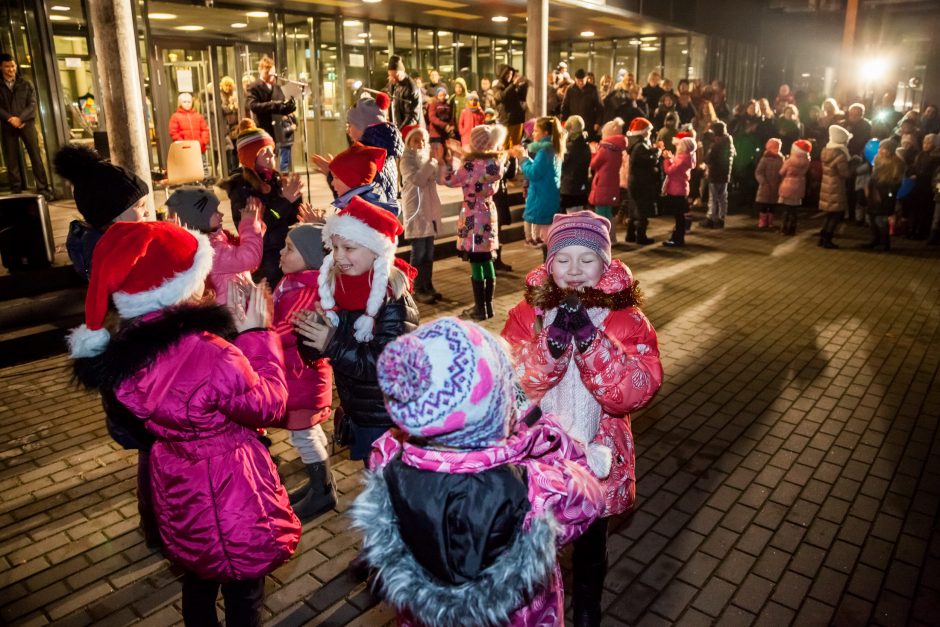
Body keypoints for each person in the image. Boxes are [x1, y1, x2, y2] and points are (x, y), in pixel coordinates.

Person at [70, 221, 301, 626]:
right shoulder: (213, 354)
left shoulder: (124, 356)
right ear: (180, 284)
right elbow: (270, 404)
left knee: (197, 573)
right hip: (231, 483)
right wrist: (258, 334)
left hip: (175, 475)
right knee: (244, 586)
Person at [353, 316, 604, 626]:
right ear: (497, 409)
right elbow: (590, 496)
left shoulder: (388, 461)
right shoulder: (532, 486)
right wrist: (539, 429)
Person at [501, 211, 663, 626]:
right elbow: (513, 386)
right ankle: (538, 608)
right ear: (548, 262)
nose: (573, 270)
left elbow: (635, 389)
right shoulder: (529, 313)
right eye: (563, 259)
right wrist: (550, 348)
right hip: (542, 455)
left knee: (591, 546)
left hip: (598, 455)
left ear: (606, 264)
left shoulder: (626, 319)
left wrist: (593, 345)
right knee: (537, 540)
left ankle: (587, 609)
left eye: (586, 259)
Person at [293, 197, 419, 464]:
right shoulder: (339, 289)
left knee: (389, 486)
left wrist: (332, 342)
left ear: (376, 249)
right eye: (335, 247)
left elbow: (384, 364)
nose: (339, 256)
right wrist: (312, 335)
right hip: (360, 410)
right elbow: (328, 352)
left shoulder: (393, 299)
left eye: (348, 248)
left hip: (387, 418)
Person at [272, 223, 337, 520]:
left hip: (302, 377)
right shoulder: (296, 282)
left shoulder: (306, 288)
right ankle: (320, 483)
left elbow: (289, 328)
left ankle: (322, 492)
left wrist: (257, 330)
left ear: (310, 256)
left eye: (289, 248)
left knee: (304, 435)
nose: (281, 253)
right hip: (301, 375)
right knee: (309, 431)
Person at [220, 119, 303, 285]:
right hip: (265, 258)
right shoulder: (242, 189)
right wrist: (284, 201)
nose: (272, 156)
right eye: (265, 152)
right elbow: (259, 227)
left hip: (283, 249)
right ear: (251, 157)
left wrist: (295, 200)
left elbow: (290, 219)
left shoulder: (275, 179)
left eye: (272, 150)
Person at [440, 125, 508, 320]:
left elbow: (450, 180)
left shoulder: (469, 164)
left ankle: (479, 308)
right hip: (488, 212)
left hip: (472, 214)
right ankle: (488, 306)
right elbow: (478, 164)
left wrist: (446, 161)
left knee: (475, 259)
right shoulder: (495, 161)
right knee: (486, 257)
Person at [54, 144, 150, 280]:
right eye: (140, 206)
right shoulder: (103, 253)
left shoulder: (117, 238)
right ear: (110, 214)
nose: (147, 213)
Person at [166, 186, 263, 305]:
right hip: (232, 313)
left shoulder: (218, 238)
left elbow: (244, 258)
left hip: (240, 305)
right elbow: (249, 258)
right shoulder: (208, 250)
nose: (221, 214)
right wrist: (249, 225)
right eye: (215, 211)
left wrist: (255, 224)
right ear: (198, 217)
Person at [400, 127, 443, 304]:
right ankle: (417, 288)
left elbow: (438, 177)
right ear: (409, 142)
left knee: (429, 251)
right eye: (416, 140)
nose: (421, 144)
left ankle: (428, 284)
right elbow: (417, 179)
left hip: (429, 208)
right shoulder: (406, 160)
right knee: (419, 252)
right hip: (416, 209)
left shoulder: (427, 158)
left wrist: (439, 162)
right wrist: (432, 164)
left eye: (423, 140)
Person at [0, 53, 52, 199]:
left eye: (12, 66)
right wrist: (10, 118)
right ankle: (15, 191)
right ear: (1, 67)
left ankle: (43, 189)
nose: (11, 69)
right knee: (11, 159)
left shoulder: (25, 83)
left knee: (35, 156)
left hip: (26, 124)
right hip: (7, 125)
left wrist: (21, 119)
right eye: (7, 66)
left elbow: (32, 104)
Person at [512, 116, 564, 253]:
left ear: (545, 133)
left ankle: (551, 272)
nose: (533, 133)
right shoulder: (551, 148)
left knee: (547, 240)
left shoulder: (545, 151)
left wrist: (522, 158)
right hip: (548, 194)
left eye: (536, 130)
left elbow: (534, 173)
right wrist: (526, 157)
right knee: (548, 238)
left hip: (542, 196)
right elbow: (539, 168)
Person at [588, 118, 627, 242]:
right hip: (612, 183)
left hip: (602, 184)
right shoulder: (617, 149)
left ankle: (603, 239)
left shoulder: (605, 149)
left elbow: (593, 164)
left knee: (600, 213)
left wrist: (593, 152)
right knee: (608, 213)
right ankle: (612, 237)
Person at [863, 138, 905, 251]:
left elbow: (896, 181)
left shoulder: (897, 163)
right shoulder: (877, 159)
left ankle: (885, 243)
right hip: (874, 192)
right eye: (881, 148)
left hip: (885, 193)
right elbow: (873, 176)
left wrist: (887, 193)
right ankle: (875, 240)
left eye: (885, 149)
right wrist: (868, 187)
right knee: (871, 218)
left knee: (881, 219)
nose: (881, 151)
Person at [626, 117, 660, 245]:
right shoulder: (640, 146)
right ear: (643, 131)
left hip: (635, 180)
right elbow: (648, 160)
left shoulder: (635, 144)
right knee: (641, 210)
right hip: (641, 182)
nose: (650, 133)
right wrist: (658, 153)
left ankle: (630, 234)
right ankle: (641, 236)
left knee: (633, 209)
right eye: (649, 131)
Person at [245, 56, 296, 139]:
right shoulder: (254, 87)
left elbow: (281, 106)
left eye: (273, 73)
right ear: (261, 70)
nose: (271, 75)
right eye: (268, 72)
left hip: (280, 132)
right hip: (264, 130)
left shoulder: (277, 87)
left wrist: (289, 107)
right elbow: (253, 106)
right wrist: (273, 104)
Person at [819, 125, 852, 249]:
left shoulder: (826, 151)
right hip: (836, 186)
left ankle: (822, 238)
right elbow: (845, 173)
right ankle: (828, 239)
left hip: (826, 184)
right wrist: (853, 167)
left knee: (829, 214)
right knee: (835, 215)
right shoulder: (840, 154)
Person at [661, 136, 697, 247]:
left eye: (680, 144)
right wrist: (671, 158)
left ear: (685, 147)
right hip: (681, 189)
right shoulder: (686, 157)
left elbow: (670, 170)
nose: (678, 146)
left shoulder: (682, 159)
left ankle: (677, 239)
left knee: (679, 216)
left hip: (677, 190)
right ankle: (677, 238)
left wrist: (667, 159)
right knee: (679, 216)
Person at [703, 120, 735, 229]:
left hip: (715, 174)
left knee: (713, 197)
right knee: (722, 197)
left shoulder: (717, 145)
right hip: (725, 174)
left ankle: (711, 218)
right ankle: (721, 218)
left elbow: (709, 159)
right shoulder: (729, 142)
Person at [778, 139, 812, 236]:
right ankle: (792, 229)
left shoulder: (790, 160)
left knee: (786, 210)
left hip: (788, 185)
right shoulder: (807, 160)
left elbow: (781, 172)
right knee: (794, 210)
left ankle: (784, 228)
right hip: (799, 185)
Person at [561, 115, 592, 212]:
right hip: (581, 186)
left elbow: (561, 164)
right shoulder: (585, 145)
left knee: (571, 218)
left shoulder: (570, 147)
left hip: (570, 188)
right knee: (579, 215)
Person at [561, 69, 603, 140]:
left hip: (589, 123)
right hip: (573, 124)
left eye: (582, 80)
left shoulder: (593, 89)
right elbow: (565, 107)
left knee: (587, 143)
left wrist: (598, 122)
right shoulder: (570, 89)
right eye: (578, 80)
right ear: (575, 79)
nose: (580, 83)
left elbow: (600, 107)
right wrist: (564, 122)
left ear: (587, 78)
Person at [493, 65, 528, 148]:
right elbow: (501, 97)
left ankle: (514, 161)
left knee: (516, 146)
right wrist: (513, 85)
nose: (510, 76)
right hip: (506, 121)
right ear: (503, 74)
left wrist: (523, 85)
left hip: (517, 120)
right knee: (505, 146)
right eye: (508, 74)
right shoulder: (498, 86)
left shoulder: (513, 86)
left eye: (511, 74)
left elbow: (522, 97)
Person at [754, 138, 784, 229]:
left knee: (772, 205)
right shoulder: (765, 159)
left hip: (775, 186)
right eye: (775, 147)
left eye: (778, 147)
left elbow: (782, 172)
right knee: (763, 205)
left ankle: (770, 221)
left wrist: (781, 181)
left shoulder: (780, 159)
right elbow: (759, 172)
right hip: (765, 186)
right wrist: (763, 182)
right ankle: (763, 221)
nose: (777, 149)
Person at [387, 55, 422, 130]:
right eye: (391, 76)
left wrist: (400, 131)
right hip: (396, 126)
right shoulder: (392, 83)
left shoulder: (411, 88)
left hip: (409, 131)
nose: (393, 79)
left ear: (402, 72)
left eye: (396, 76)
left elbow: (412, 116)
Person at [219, 76, 242, 173]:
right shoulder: (221, 97)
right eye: (226, 85)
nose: (228, 88)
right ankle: (230, 170)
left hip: (235, 126)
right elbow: (224, 111)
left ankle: (235, 169)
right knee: (230, 150)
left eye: (229, 86)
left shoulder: (234, 95)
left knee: (236, 149)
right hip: (227, 126)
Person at [427, 86, 454, 158]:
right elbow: (432, 118)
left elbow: (450, 117)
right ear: (437, 96)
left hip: (444, 134)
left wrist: (451, 126)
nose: (442, 97)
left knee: (444, 153)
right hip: (435, 133)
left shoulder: (447, 105)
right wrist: (444, 125)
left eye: (443, 95)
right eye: (440, 95)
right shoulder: (433, 104)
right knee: (436, 153)